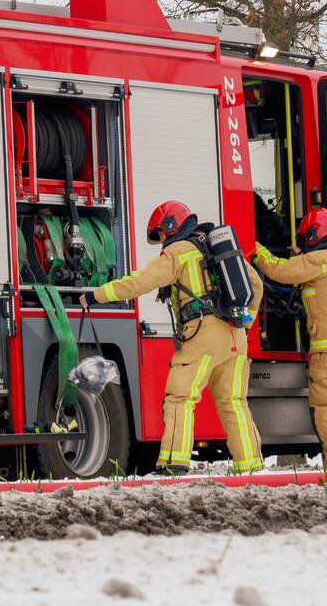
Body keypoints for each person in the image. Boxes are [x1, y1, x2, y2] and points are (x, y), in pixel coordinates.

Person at [81, 201, 265, 475]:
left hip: (203, 334)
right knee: (234, 403)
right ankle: (251, 467)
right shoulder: (220, 249)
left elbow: (140, 282)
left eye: (162, 235)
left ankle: (173, 464)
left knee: (179, 398)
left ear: (171, 226)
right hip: (235, 336)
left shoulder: (179, 253)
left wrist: (97, 296)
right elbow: (257, 287)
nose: (162, 243)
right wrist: (246, 326)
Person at [252, 207, 327, 471]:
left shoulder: (315, 262)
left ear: (315, 236)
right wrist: (303, 257)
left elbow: (278, 270)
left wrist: (257, 249)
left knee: (324, 407)